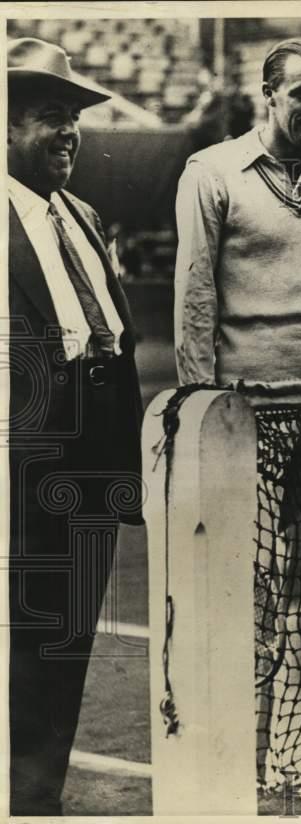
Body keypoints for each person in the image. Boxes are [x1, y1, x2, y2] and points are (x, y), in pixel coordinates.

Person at [173, 39, 301, 804]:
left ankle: (300, 759)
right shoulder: (211, 173)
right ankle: (231, 751)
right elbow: (196, 299)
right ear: (269, 95)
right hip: (244, 419)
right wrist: (199, 411)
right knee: (245, 594)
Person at [7, 37, 144, 815]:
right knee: (18, 657)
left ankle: (37, 802)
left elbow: (115, 345)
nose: (69, 132)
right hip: (21, 475)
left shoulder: (84, 215)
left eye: (74, 118)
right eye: (49, 117)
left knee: (65, 653)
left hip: (88, 477)